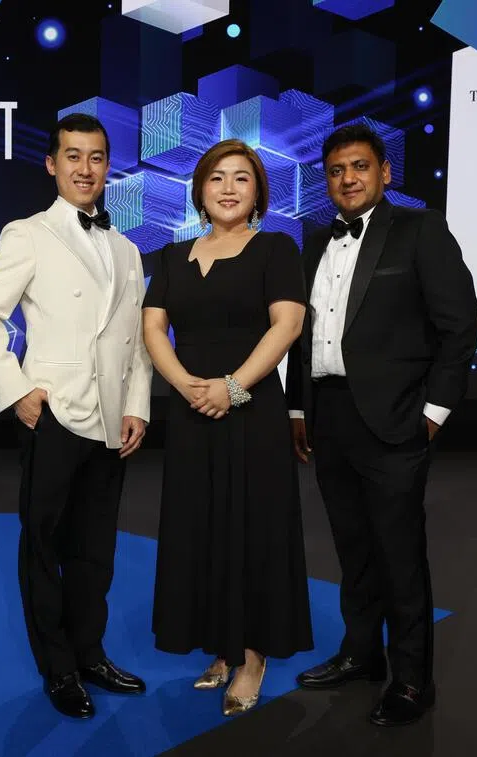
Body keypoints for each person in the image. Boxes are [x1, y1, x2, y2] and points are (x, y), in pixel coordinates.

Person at [286, 123, 477, 726]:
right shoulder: (313, 244)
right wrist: (299, 409)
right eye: (336, 170)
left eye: (360, 167)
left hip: (396, 419)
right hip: (328, 415)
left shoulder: (420, 230)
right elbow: (301, 337)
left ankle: (413, 680)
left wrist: (433, 412)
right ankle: (361, 653)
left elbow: (460, 325)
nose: (348, 179)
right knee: (354, 548)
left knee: (400, 553)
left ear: (385, 172)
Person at [0, 113, 153, 720]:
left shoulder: (127, 249)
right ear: (52, 164)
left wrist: (138, 406)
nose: (85, 168)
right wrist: (16, 390)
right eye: (73, 156)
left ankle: (91, 653)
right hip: (53, 415)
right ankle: (58, 667)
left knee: (96, 550)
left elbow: (137, 340)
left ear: (108, 167)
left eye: (96, 157)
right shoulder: (28, 233)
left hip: (110, 422)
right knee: (44, 546)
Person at [142, 139, 313, 717]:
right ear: (200, 191)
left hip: (252, 410)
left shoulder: (276, 249)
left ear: (258, 190)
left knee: (252, 528)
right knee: (202, 527)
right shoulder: (171, 257)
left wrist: (233, 386)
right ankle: (220, 644)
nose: (229, 188)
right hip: (192, 412)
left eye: (242, 177)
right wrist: (187, 386)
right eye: (217, 177)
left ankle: (252, 655)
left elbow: (288, 325)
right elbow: (153, 329)